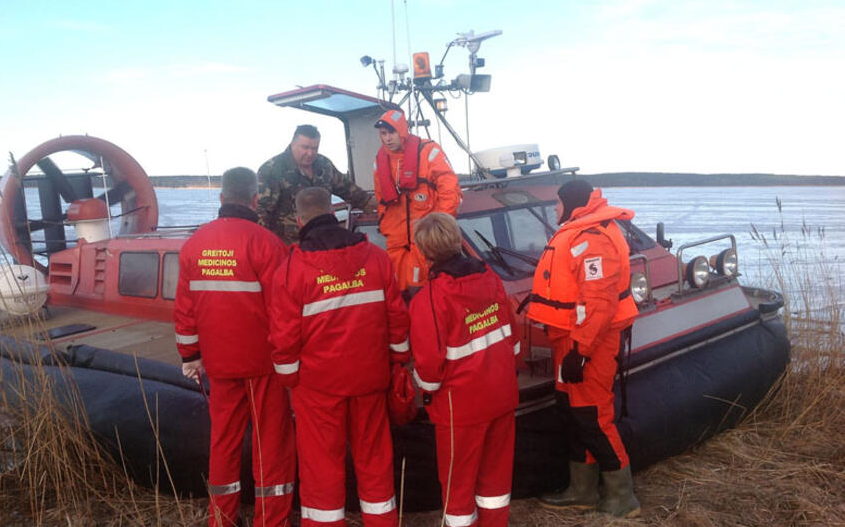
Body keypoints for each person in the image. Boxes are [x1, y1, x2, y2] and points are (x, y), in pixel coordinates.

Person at [269, 186, 411, 527]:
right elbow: (397, 320)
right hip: (370, 380)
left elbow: (284, 341)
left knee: (321, 470)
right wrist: (397, 362)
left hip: (317, 389)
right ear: (334, 213)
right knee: (375, 463)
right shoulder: (376, 257)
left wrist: (291, 381)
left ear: (299, 221)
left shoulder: (290, 270)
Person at [174, 167, 295, 527]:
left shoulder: (194, 245)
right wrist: (290, 359)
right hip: (263, 365)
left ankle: (222, 518)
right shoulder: (267, 244)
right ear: (256, 200)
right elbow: (283, 312)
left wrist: (190, 356)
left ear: (221, 198)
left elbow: (184, 310)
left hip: (219, 364)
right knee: (271, 444)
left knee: (223, 442)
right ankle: (270, 520)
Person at [527, 179, 640, 518]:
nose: (555, 209)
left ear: (572, 203)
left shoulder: (592, 239)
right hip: (570, 340)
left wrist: (581, 352)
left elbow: (599, 304)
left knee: (593, 417)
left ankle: (622, 498)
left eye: (558, 203)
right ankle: (582, 491)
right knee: (573, 412)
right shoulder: (579, 233)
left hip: (589, 342)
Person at [409, 212, 519, 527]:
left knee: (458, 489)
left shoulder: (430, 299)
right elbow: (512, 341)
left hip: (460, 408)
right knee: (496, 483)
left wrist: (426, 391)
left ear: (423, 252)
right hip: (501, 397)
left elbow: (429, 369)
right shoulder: (491, 278)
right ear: (458, 240)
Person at [372, 110, 462, 298]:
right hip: (396, 242)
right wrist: (386, 227)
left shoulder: (429, 152)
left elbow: (450, 190)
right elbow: (381, 200)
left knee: (426, 292)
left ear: (402, 130)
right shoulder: (380, 161)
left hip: (425, 240)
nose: (387, 138)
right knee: (398, 293)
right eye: (383, 133)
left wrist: (439, 228)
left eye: (392, 132)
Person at [257, 124, 376, 244]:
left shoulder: (324, 164)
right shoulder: (272, 170)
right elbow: (262, 213)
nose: (310, 153)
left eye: (315, 148)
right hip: (291, 244)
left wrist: (376, 207)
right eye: (305, 147)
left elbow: (349, 191)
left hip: (325, 240)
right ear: (293, 144)